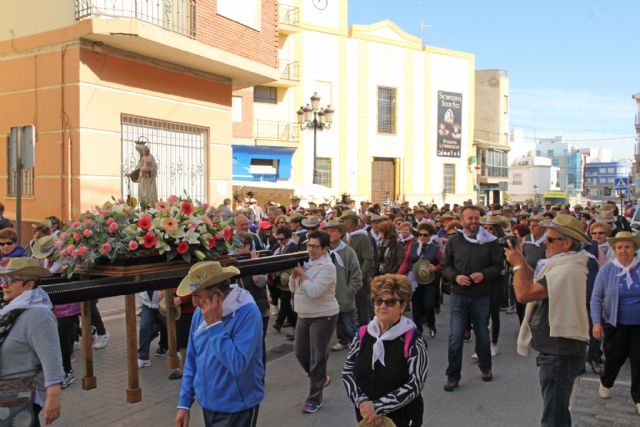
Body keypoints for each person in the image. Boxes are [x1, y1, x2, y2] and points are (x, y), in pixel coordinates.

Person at [505, 214, 590, 427]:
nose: (545, 242)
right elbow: (538, 279)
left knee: (553, 416)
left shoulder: (566, 269)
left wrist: (516, 266)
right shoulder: (564, 264)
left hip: (560, 350)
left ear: (567, 243)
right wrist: (521, 258)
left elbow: (524, 294)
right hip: (559, 349)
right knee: (557, 410)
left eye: (551, 239)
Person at [175, 261, 263, 427]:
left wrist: (215, 325)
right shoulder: (200, 313)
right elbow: (192, 360)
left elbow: (238, 365)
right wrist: (184, 403)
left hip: (238, 407)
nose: (194, 303)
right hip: (209, 404)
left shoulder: (248, 313)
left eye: (197, 296)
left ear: (217, 296)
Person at [342, 274, 428, 427]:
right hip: (367, 418)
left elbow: (416, 383)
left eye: (390, 302)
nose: (383, 306)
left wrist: (379, 407)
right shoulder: (362, 334)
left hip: (403, 419)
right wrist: (362, 403)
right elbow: (348, 371)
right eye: (379, 301)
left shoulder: (413, 340)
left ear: (402, 306)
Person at [442, 205, 502, 392]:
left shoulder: (490, 241)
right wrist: (455, 277)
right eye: (470, 218)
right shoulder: (454, 241)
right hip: (459, 294)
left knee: (483, 334)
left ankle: (485, 368)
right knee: (455, 336)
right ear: (462, 220)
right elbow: (446, 266)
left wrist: (484, 274)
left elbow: (498, 266)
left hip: (481, 295)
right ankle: (453, 376)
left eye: (476, 218)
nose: (474, 222)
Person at [0, 257, 63, 426]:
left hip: (18, 401)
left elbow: (52, 358)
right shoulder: (13, 309)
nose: (3, 284)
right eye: (2, 279)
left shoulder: (38, 315)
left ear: (29, 285)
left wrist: (53, 397)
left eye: (10, 280)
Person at [288, 230, 339, 414]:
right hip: (304, 314)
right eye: (309, 245)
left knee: (318, 358)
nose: (311, 249)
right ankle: (321, 378)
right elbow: (293, 288)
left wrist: (302, 274)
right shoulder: (306, 263)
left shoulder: (328, 267)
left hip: (323, 315)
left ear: (325, 249)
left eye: (315, 246)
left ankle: (314, 398)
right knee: (300, 353)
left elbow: (315, 291)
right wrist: (295, 278)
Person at [591, 231, 640, 415]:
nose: (623, 250)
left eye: (627, 247)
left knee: (638, 360)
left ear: (634, 249)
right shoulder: (607, 269)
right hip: (614, 322)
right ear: (615, 249)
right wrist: (596, 322)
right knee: (615, 357)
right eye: (619, 247)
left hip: (638, 324)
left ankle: (638, 398)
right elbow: (596, 297)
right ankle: (606, 382)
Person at [32, 235, 79, 389]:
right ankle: (62, 370)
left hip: (68, 306)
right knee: (59, 339)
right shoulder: (47, 261)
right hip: (53, 307)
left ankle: (67, 371)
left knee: (60, 339)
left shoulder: (66, 260)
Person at [323, 220, 362, 352]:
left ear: (340, 233)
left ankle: (356, 342)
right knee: (337, 320)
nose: (329, 233)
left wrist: (349, 291)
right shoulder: (324, 251)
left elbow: (356, 273)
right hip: (328, 293)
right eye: (327, 231)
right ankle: (343, 340)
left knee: (348, 321)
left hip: (344, 293)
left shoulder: (348, 252)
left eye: (333, 231)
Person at [398, 222, 442, 337]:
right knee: (416, 306)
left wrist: (435, 267)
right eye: (420, 234)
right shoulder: (413, 245)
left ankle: (431, 324)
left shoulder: (435, 248)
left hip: (429, 281)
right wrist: (398, 276)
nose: (422, 237)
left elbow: (443, 264)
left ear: (430, 235)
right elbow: (406, 262)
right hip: (414, 279)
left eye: (425, 235)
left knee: (429, 305)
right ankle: (418, 330)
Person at [236, 232, 270, 376]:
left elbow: (260, 281)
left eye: (238, 247)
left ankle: (259, 376)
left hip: (259, 309)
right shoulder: (235, 261)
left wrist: (254, 265)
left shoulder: (259, 259)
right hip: (241, 311)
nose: (235, 250)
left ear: (247, 246)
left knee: (258, 344)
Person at [340, 210, 374, 326]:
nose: (342, 222)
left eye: (344, 220)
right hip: (347, 276)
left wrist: (361, 278)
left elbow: (368, 259)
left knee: (361, 306)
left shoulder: (362, 236)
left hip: (358, 277)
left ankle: (365, 332)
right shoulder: (347, 237)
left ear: (351, 222)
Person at [271, 226, 298, 333]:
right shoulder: (278, 246)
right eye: (278, 239)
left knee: (285, 301)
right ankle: (289, 322)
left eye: (282, 239)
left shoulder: (293, 247)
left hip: (290, 278)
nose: (280, 241)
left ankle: (281, 322)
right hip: (280, 279)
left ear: (288, 238)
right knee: (284, 301)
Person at [137, 289, 168, 368]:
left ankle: (177, 352)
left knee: (170, 327)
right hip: (147, 304)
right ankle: (143, 357)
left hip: (163, 302)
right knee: (144, 327)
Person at [129, 142, 158, 209]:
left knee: (149, 196)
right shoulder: (142, 158)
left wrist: (149, 171)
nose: (140, 152)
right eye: (139, 151)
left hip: (149, 180)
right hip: (142, 179)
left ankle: (150, 208)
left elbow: (155, 168)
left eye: (140, 150)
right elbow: (138, 168)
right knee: (142, 195)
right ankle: (143, 207)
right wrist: (131, 174)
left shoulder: (151, 157)